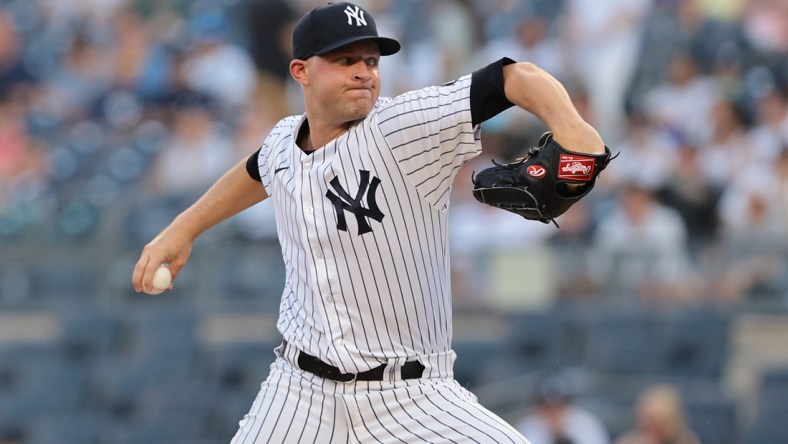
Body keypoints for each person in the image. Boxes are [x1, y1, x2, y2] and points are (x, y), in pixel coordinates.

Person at [132, 2, 607, 442]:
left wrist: (573, 127)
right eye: (344, 61)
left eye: (371, 61)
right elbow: (258, 169)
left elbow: (512, 77)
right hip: (298, 393)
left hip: (413, 397)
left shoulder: (402, 128)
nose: (363, 72)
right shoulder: (283, 142)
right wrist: (183, 228)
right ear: (301, 71)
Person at [515, 374, 610, 444]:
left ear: (568, 405)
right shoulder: (527, 428)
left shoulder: (587, 424)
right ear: (538, 407)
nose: (553, 413)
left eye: (558, 407)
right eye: (547, 408)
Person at [614, 384, 700, 444]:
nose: (651, 428)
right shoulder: (629, 441)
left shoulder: (686, 441)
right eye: (647, 420)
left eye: (657, 423)